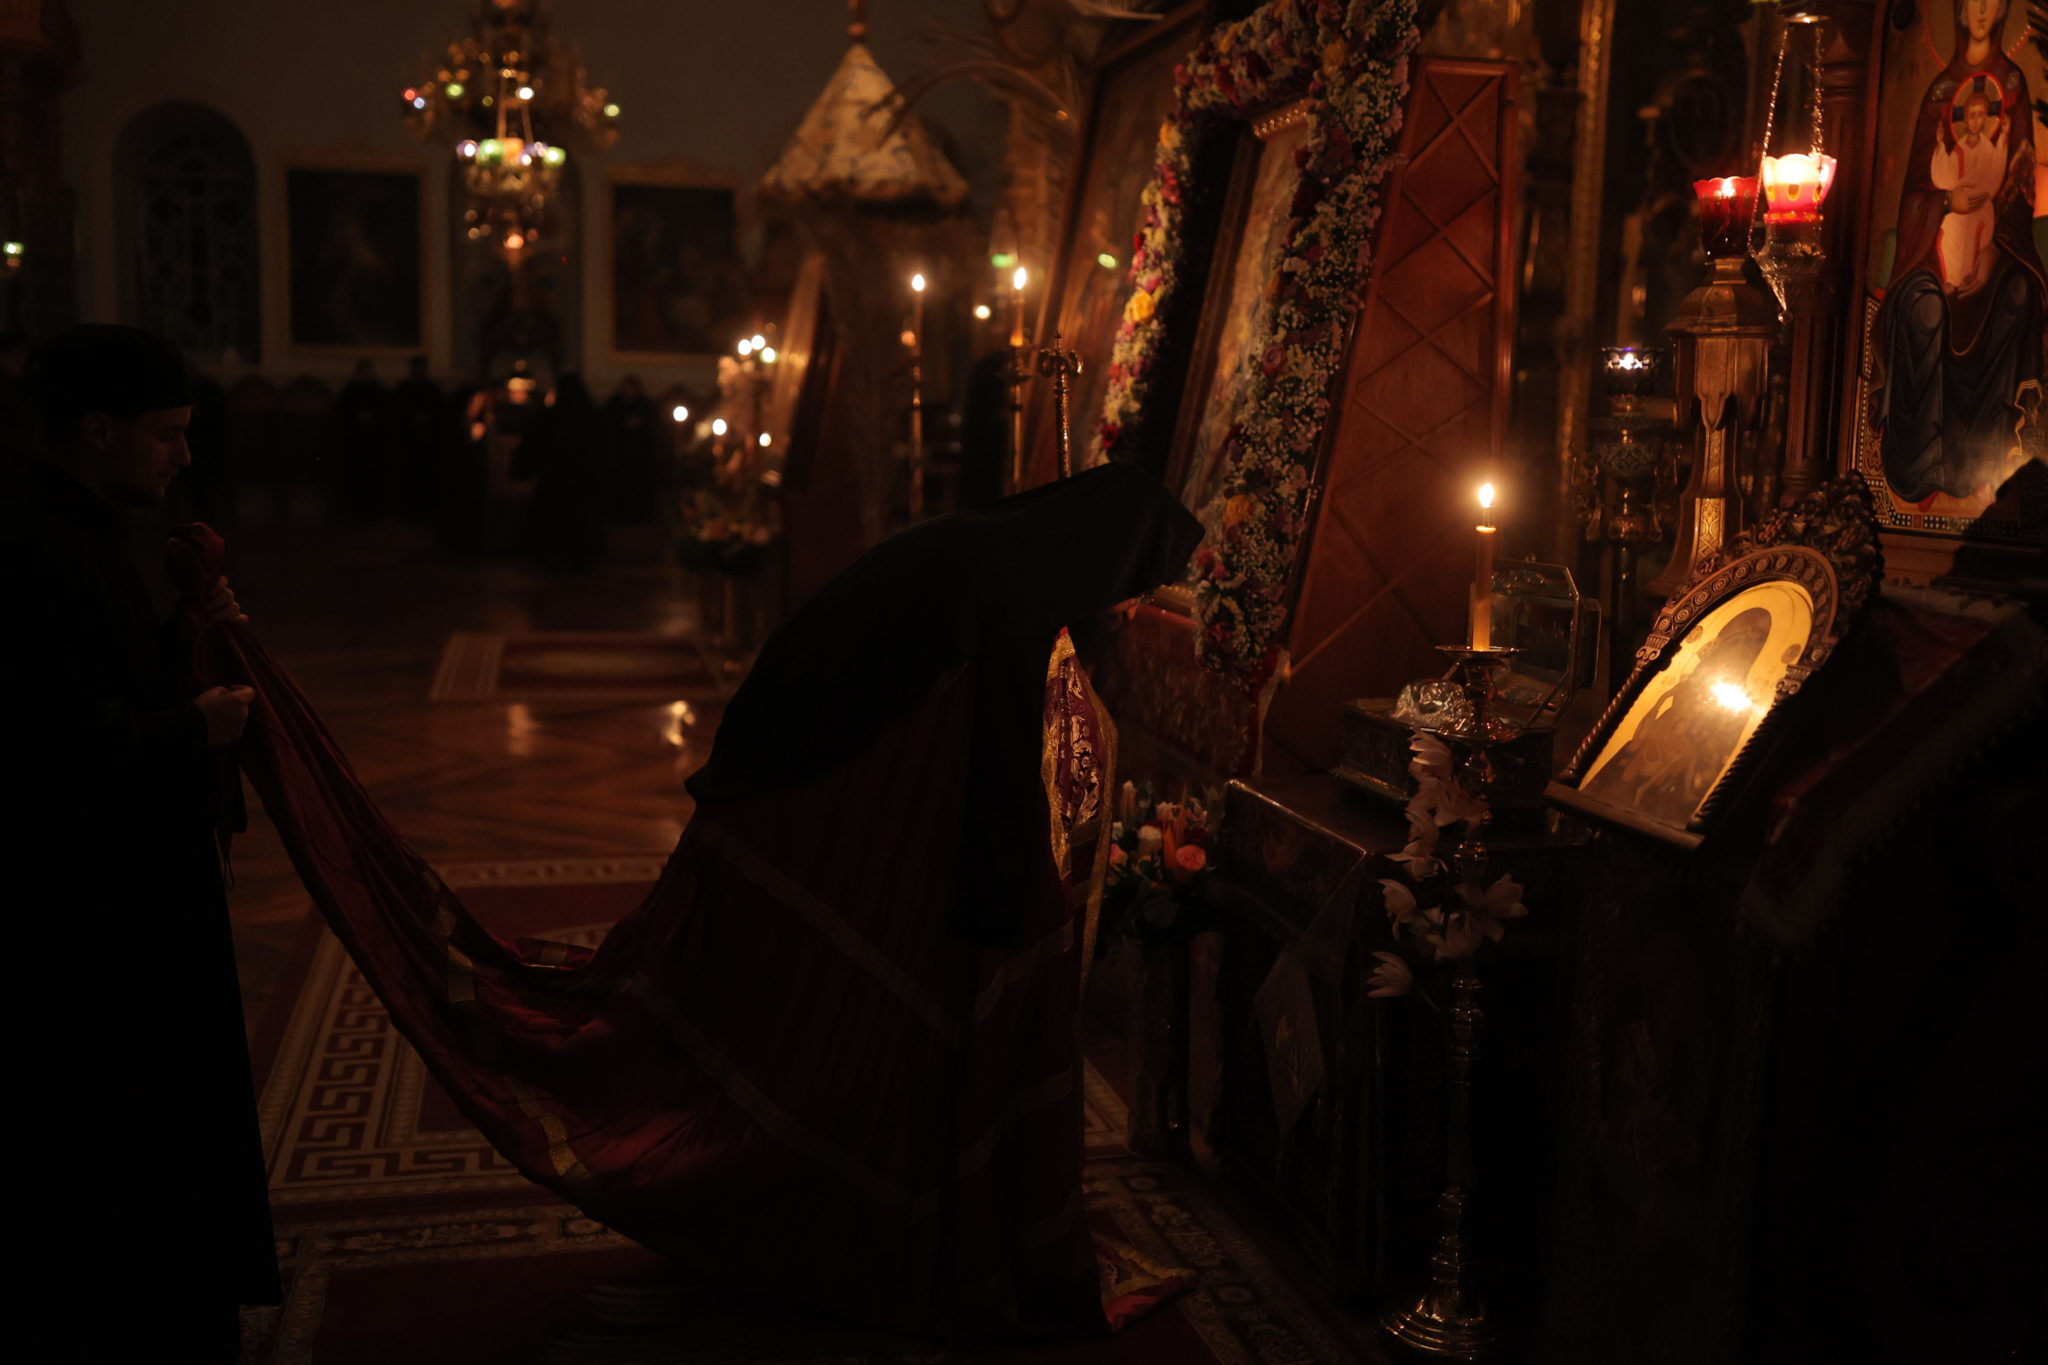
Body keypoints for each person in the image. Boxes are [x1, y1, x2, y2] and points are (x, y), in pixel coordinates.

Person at [174, 459, 1203, 1339]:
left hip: (770, 778)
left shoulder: (989, 547)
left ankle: (786, 1189)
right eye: (1132, 586)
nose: (1123, 608)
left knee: (775, 1013)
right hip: (792, 803)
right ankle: (769, 1194)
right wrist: (1000, 932)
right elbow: (992, 810)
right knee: (802, 1024)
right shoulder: (1012, 595)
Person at [6, 324, 277, 1361]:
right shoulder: (35, 548)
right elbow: (43, 745)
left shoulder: (79, 534)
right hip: (94, 906)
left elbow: (104, 680)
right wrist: (194, 728)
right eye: (166, 434)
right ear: (97, 430)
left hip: (134, 883)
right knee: (122, 1116)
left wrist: (184, 637)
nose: (184, 455)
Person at [516, 372, 607, 570]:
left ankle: (553, 557)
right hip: (583, 484)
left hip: (554, 482)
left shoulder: (549, 417)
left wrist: (525, 469)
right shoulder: (592, 418)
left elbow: (531, 447)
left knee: (553, 524)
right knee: (580, 525)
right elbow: (603, 452)